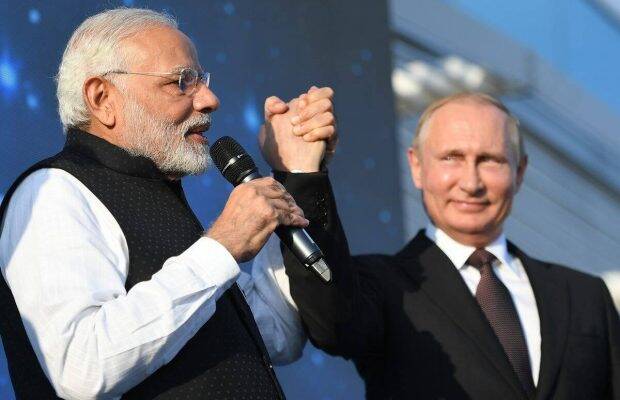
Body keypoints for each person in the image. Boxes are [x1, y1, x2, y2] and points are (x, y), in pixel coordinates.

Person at [0, 8, 337, 399]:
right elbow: (82, 368)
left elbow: (278, 334)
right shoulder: (54, 193)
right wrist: (222, 246)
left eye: (202, 81)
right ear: (102, 98)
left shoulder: (159, 199)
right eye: (181, 82)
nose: (210, 100)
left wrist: (295, 171)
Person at [260, 92, 620, 399]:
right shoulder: (382, 286)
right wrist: (302, 172)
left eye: (490, 160)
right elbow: (334, 325)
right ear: (417, 166)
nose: (471, 183)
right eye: (452, 158)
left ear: (520, 171)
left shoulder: (586, 297)